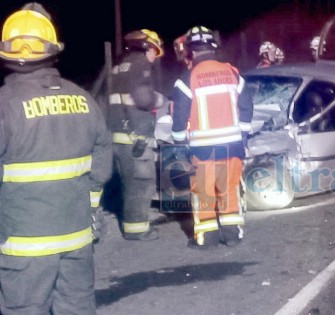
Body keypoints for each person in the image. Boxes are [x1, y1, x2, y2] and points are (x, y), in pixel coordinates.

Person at [0, 3, 112, 313]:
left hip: (23, 246)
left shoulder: (5, 105)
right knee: (76, 307)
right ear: (52, 50)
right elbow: (101, 165)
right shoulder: (83, 99)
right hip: (77, 240)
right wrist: (90, 211)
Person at [171, 26, 253, 249]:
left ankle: (208, 239)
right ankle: (232, 234)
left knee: (204, 192)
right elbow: (246, 106)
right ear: (213, 47)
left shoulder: (187, 78)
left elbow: (179, 115)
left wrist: (178, 142)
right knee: (230, 189)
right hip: (233, 145)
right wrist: (243, 135)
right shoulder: (232, 72)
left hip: (203, 148)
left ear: (191, 51)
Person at [107, 28, 167, 241]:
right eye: (154, 50)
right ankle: (137, 229)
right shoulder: (140, 65)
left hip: (119, 136)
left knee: (129, 182)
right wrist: (159, 100)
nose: (154, 56)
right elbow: (143, 98)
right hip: (135, 139)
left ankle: (133, 224)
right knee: (142, 183)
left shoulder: (118, 68)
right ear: (147, 47)